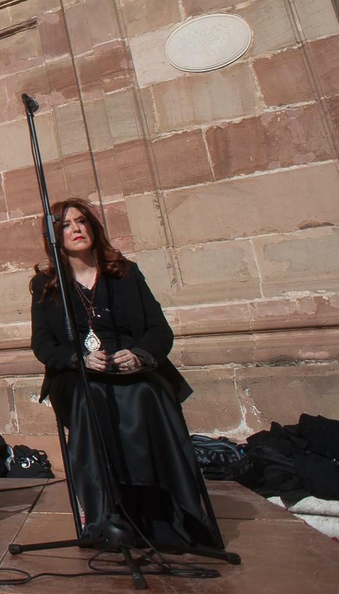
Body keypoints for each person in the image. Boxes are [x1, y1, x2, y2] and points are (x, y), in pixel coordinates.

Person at [30, 198, 223, 550]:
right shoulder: (46, 284)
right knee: (93, 397)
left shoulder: (125, 272)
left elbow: (159, 329)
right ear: (54, 236)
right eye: (66, 225)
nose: (76, 229)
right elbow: (42, 344)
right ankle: (106, 514)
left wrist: (139, 355)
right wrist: (78, 359)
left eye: (81, 221)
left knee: (147, 394)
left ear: (93, 227)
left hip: (130, 368)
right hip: (77, 374)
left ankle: (166, 510)